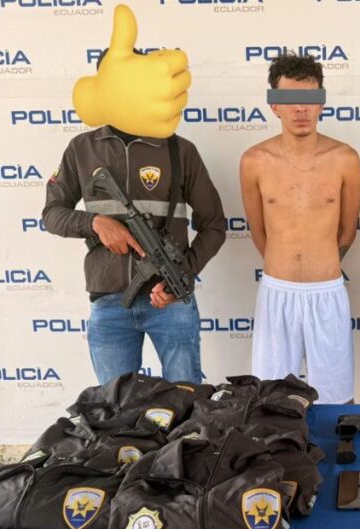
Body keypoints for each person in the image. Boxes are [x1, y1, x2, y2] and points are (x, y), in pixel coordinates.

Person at [43, 49, 227, 386]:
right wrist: (95, 223)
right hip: (108, 302)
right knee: (115, 408)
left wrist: (182, 275)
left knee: (185, 404)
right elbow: (52, 214)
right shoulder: (82, 148)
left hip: (170, 302)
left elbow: (214, 225)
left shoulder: (179, 150)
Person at [239, 53, 360, 404]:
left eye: (309, 98)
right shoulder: (254, 161)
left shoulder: (345, 159)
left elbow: (348, 230)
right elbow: (259, 231)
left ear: (321, 102)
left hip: (327, 293)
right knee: (269, 398)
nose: (300, 109)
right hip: (277, 292)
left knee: (337, 398)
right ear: (274, 105)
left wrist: (319, 264)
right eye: (289, 99)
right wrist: (286, 265)